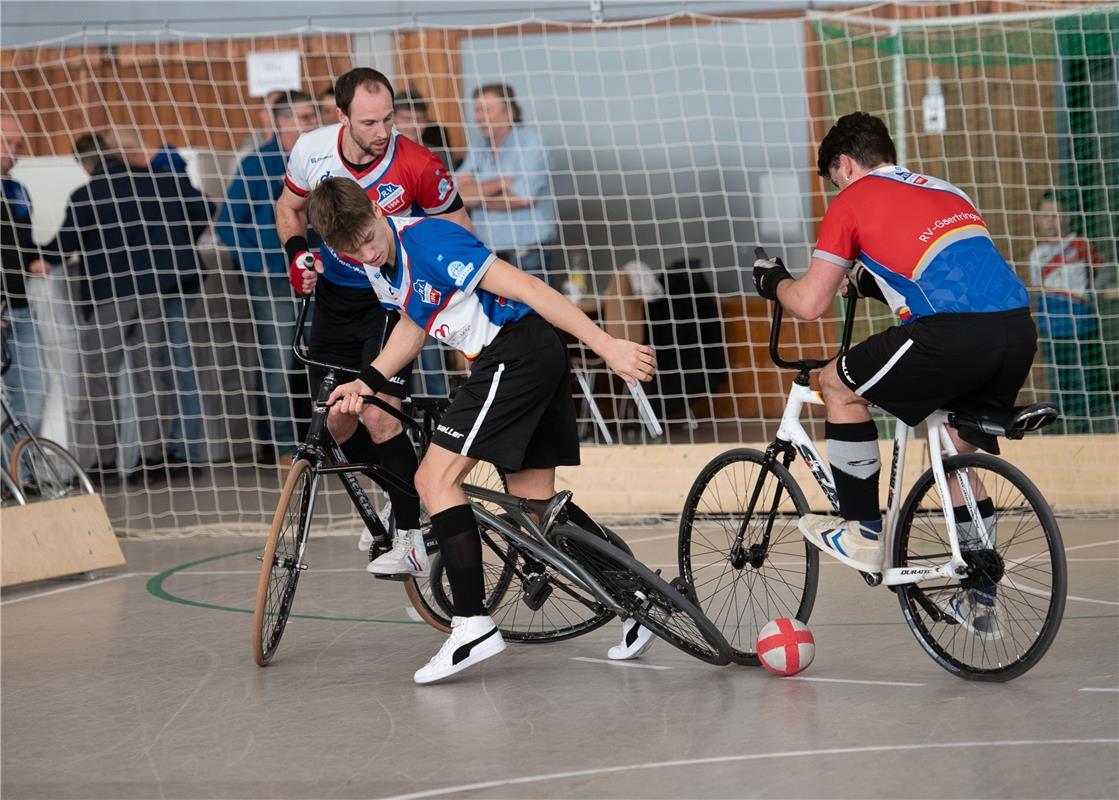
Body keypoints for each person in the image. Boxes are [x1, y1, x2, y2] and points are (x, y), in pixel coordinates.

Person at [308, 176, 658, 683]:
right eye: (354, 247)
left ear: (375, 210)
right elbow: (416, 323)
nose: (368, 246)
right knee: (536, 509)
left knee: (434, 480)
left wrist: (606, 346)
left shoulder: (429, 240)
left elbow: (531, 288)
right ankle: (637, 598)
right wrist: (368, 381)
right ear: (338, 251)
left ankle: (470, 622)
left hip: (514, 353)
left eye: (369, 232)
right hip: (522, 357)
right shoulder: (380, 267)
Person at [752, 111, 1035, 637]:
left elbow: (811, 302)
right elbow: (946, 268)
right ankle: (979, 598)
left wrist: (775, 283)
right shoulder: (947, 190)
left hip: (948, 334)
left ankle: (862, 531)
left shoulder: (851, 199)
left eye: (835, 177)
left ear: (844, 164)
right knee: (951, 445)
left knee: (837, 384)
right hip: (1016, 330)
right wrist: (865, 277)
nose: (837, 186)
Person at [275, 67, 472, 573]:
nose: (383, 131)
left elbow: (460, 227)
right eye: (369, 122)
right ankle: (403, 485)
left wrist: (433, 285)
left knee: (379, 412)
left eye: (388, 118)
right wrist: (297, 255)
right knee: (335, 422)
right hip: (337, 300)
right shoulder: (311, 149)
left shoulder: (417, 163)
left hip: (392, 300)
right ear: (341, 116)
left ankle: (408, 534)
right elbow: (290, 208)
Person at [42, 133, 212, 478]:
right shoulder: (157, 179)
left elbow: (62, 247)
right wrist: (176, 240)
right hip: (154, 290)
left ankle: (104, 462)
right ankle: (150, 459)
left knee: (100, 375)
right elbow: (205, 207)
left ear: (86, 164)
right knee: (148, 372)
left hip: (111, 293)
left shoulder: (87, 194)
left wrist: (30, 255)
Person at [215, 91, 319, 464]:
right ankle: (283, 450)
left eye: (313, 116)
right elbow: (226, 223)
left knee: (322, 360)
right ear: (282, 122)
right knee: (278, 365)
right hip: (272, 279)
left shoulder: (318, 160)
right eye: (305, 117)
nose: (311, 123)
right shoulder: (256, 164)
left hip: (315, 276)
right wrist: (254, 262)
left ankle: (328, 442)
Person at [455, 83, 558, 286]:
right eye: (477, 110)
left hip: (527, 253)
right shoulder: (478, 145)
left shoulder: (533, 143)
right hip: (487, 252)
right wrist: (500, 183)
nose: (479, 118)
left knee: (537, 316)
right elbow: (457, 194)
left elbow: (521, 198)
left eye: (487, 110)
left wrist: (477, 193)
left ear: (508, 113)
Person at [1027, 191, 1111, 433]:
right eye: (1044, 215)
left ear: (1066, 217)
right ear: (1037, 219)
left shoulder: (1080, 244)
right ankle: (1061, 421)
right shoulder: (1036, 256)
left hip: (1080, 320)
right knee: (1059, 374)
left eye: (1055, 215)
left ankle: (1083, 423)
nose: (1050, 220)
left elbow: (1104, 269)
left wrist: (1093, 292)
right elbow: (1038, 291)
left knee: (1082, 373)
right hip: (1051, 322)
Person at [0, 112, 50, 448]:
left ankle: (20, 480)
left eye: (18, 143)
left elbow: (23, 244)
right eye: (7, 142)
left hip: (20, 309)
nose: (13, 150)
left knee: (34, 397)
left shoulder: (18, 191)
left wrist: (40, 260)